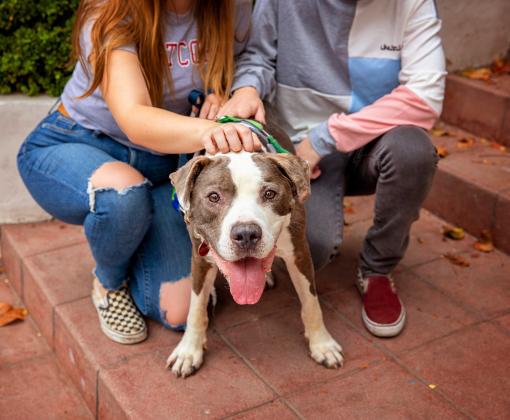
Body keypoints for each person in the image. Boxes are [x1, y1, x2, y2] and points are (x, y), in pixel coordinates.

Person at [17, 0, 256, 344]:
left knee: (182, 312)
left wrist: (226, 92)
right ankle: (109, 282)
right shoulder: (112, 9)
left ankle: (129, 235)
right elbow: (135, 118)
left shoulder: (229, 5)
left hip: (162, 164)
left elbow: (248, 56)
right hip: (80, 143)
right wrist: (209, 131)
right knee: (123, 195)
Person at [219, 0, 445, 337]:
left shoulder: (413, 3)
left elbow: (425, 97)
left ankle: (377, 270)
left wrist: (327, 138)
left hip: (369, 143)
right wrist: (248, 88)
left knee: (414, 150)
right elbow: (257, 56)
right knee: (313, 249)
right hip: (297, 145)